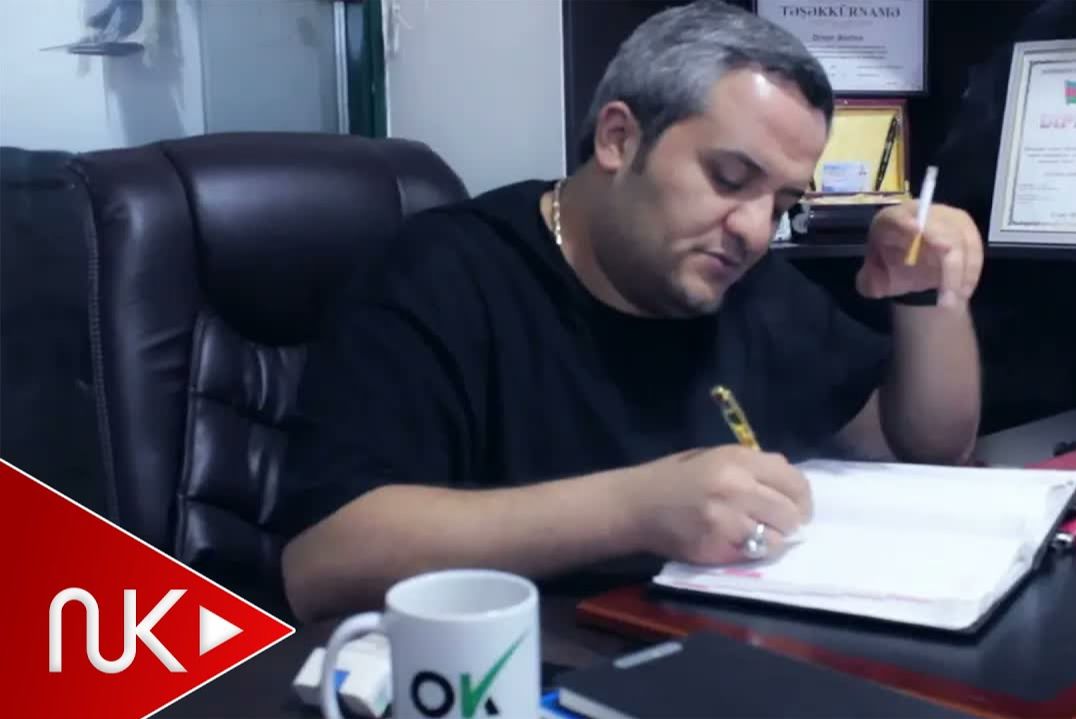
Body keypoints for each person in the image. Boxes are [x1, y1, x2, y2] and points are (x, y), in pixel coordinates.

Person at [276, 0, 984, 623]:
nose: (755, 230)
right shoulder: (444, 274)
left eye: (781, 203)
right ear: (619, 138)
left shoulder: (748, 283)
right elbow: (322, 563)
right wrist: (638, 510)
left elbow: (919, 443)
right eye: (729, 179)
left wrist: (925, 295)